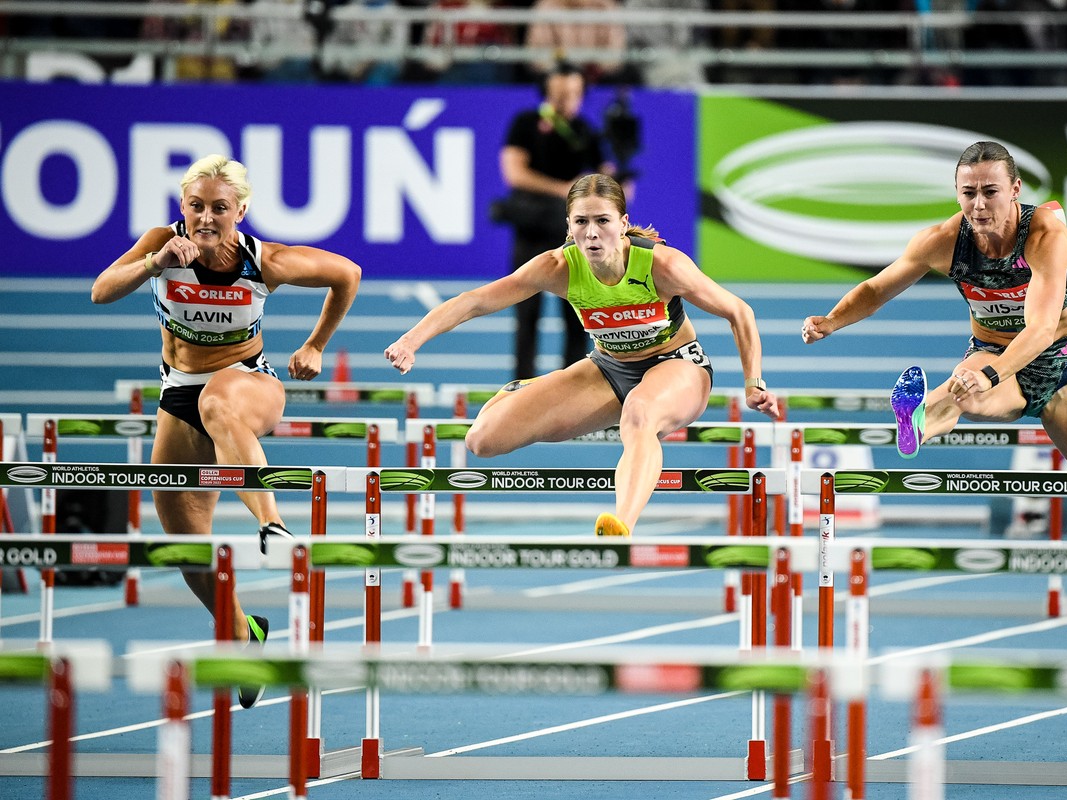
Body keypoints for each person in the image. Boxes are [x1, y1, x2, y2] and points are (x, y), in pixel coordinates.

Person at [91, 154, 361, 707]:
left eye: (219, 208)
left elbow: (346, 274)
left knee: (219, 401)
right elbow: (101, 290)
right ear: (182, 209)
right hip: (177, 394)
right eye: (196, 207)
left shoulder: (266, 261)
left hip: (248, 386)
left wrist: (314, 346)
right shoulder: (161, 244)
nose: (206, 218)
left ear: (241, 210)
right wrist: (154, 263)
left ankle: (274, 527)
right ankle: (245, 635)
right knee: (186, 548)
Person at [386, 173, 780, 536]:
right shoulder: (558, 266)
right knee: (483, 440)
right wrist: (411, 340)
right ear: (569, 227)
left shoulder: (663, 265)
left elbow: (738, 312)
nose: (592, 234)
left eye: (603, 221)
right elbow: (475, 302)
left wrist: (753, 382)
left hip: (677, 365)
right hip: (608, 368)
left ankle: (621, 523)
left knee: (640, 414)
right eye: (581, 223)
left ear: (623, 223)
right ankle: (522, 389)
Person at [800, 141, 1067, 541]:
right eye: (968, 194)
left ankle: (936, 411)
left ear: (1015, 189)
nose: (979, 205)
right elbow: (876, 290)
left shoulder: (1046, 237)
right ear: (957, 194)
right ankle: (921, 419)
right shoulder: (943, 240)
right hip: (990, 352)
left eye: (990, 192)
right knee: (966, 392)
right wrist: (831, 321)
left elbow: (1039, 330)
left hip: (1061, 367)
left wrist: (990, 374)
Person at [496, 60, 610, 380]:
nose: (566, 101)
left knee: (577, 317)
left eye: (574, 94)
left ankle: (571, 391)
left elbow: (609, 184)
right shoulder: (525, 123)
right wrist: (563, 189)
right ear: (546, 93)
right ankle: (521, 388)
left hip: (573, 235)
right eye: (559, 94)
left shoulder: (587, 131)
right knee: (526, 313)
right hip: (532, 228)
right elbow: (513, 172)